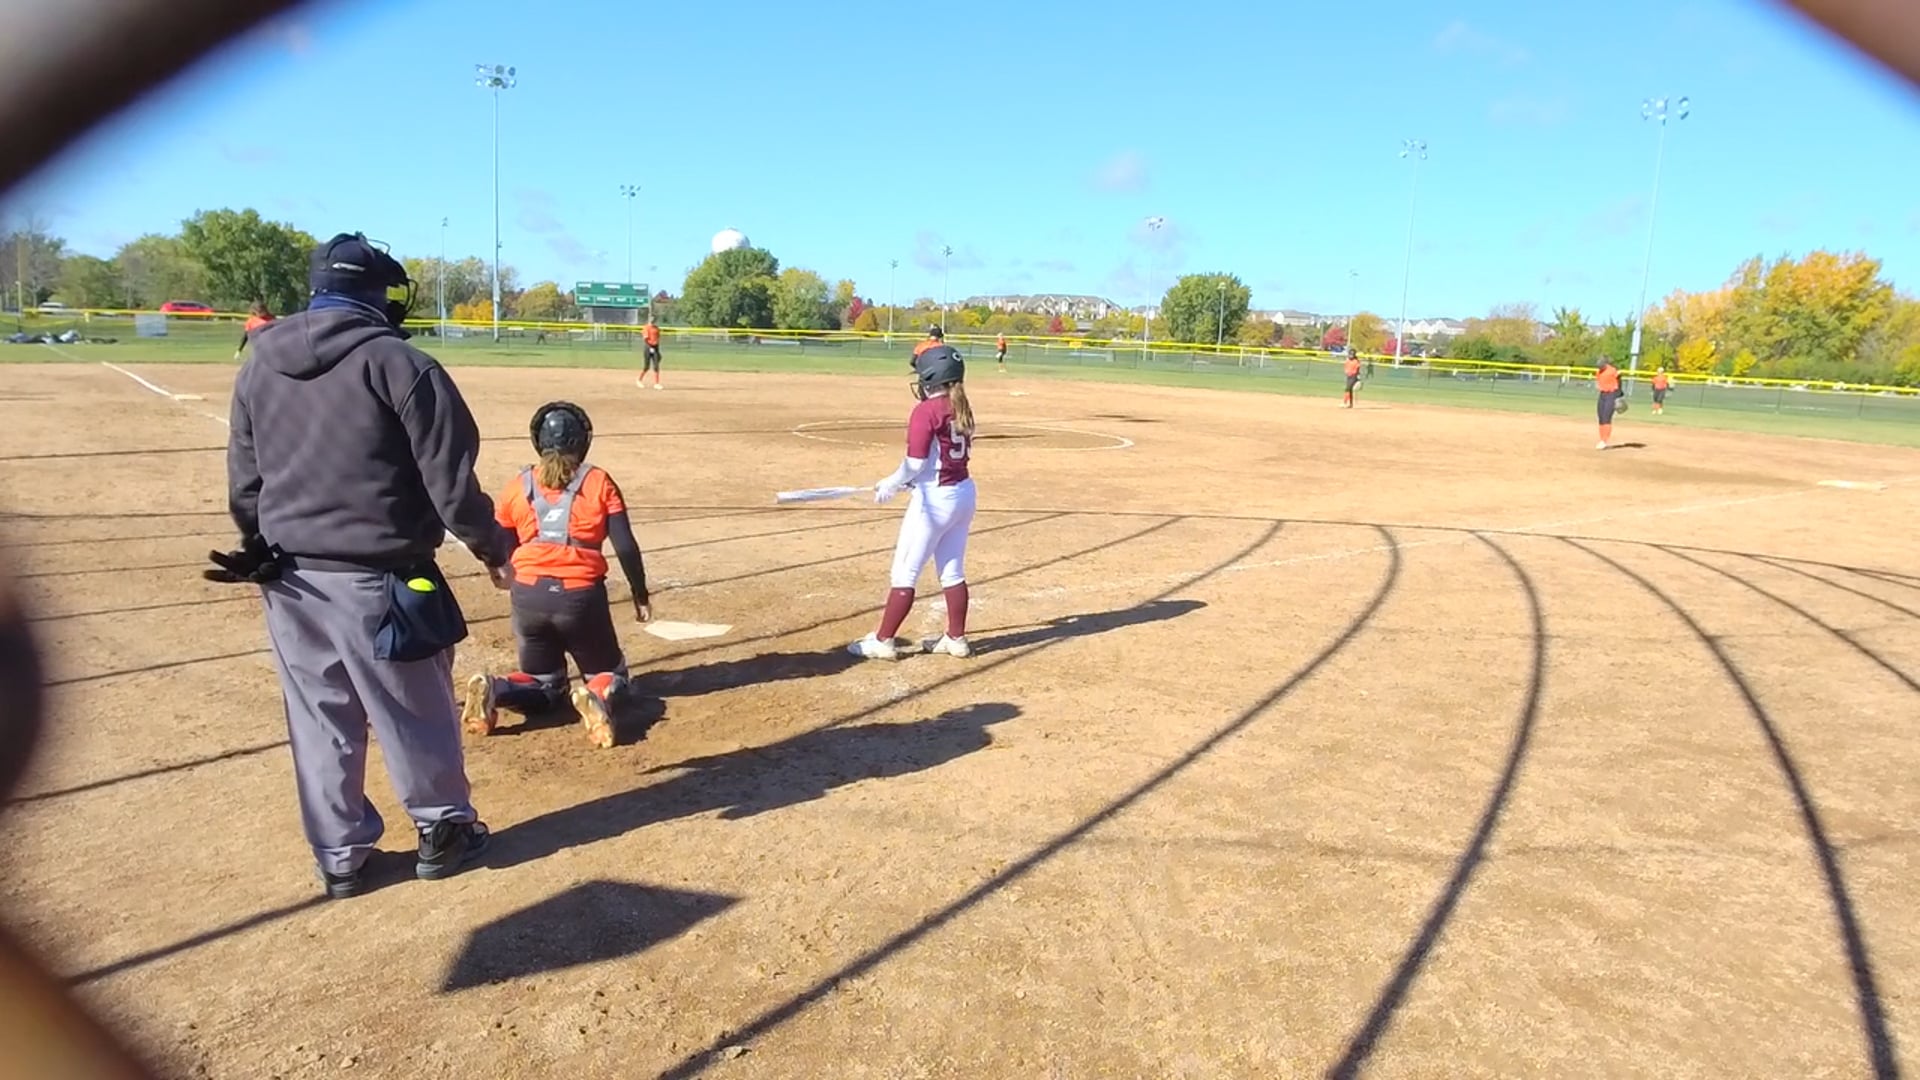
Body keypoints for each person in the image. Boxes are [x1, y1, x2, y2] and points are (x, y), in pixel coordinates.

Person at [211, 231, 515, 900]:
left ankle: (340, 855)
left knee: (319, 717)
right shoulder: (399, 364)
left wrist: (256, 543)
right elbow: (451, 486)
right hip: (380, 576)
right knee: (413, 706)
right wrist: (493, 547)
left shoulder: (259, 362)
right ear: (377, 292)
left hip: (288, 578)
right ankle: (443, 828)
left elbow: (245, 479)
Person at [460, 401, 653, 749]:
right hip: (580, 598)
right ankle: (597, 694)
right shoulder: (598, 481)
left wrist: (502, 573)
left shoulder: (518, 484)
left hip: (528, 596)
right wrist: (640, 594)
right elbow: (625, 545)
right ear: (582, 441)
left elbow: (501, 542)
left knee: (544, 684)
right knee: (611, 676)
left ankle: (497, 689)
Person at [850, 342, 977, 660]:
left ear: (931, 377)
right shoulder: (961, 405)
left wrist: (892, 482)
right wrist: (910, 479)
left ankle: (882, 640)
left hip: (934, 501)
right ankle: (956, 638)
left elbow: (916, 462)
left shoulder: (926, 410)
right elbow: (939, 459)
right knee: (952, 570)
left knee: (905, 572)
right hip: (962, 493)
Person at [1595, 355, 1626, 449]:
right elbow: (1599, 382)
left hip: (1612, 394)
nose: (1599, 367)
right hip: (1602, 394)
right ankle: (1601, 439)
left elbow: (1619, 380)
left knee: (1606, 417)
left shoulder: (1613, 370)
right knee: (1601, 417)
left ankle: (1604, 441)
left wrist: (1619, 394)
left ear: (1605, 364)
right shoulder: (1599, 371)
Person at [638, 316, 663, 390]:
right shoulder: (646, 327)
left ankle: (656, 383)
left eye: (654, 319)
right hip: (648, 348)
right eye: (651, 319)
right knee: (647, 367)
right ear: (649, 320)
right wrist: (650, 347)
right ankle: (639, 380)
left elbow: (658, 338)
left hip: (655, 348)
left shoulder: (656, 328)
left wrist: (657, 350)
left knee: (656, 365)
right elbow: (646, 339)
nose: (652, 320)